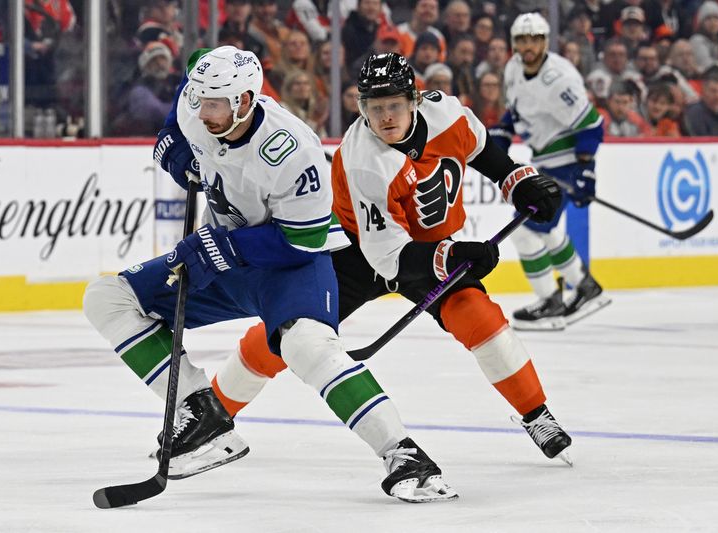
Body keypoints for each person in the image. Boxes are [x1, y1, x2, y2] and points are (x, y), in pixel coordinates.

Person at [151, 51, 575, 486]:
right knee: (284, 331)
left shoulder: (446, 112)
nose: (385, 117)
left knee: (480, 318)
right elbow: (389, 258)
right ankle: (211, 418)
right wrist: (453, 257)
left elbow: (483, 149)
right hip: (355, 253)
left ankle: (536, 414)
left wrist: (517, 179)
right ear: (361, 108)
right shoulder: (364, 159)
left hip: (425, 247)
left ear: (415, 100)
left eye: (393, 104)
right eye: (374, 108)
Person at [84, 46, 457, 503]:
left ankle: (403, 455)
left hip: (289, 265)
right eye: (199, 100)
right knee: (108, 297)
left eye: (215, 104)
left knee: (306, 346)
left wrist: (224, 247)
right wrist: (173, 151)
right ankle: (202, 413)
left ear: (244, 100)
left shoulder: (293, 150)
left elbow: (302, 240)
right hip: (224, 255)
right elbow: (180, 111)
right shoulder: (198, 102)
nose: (203, 112)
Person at [490, 12, 611, 331]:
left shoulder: (560, 79)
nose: (528, 46)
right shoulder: (513, 68)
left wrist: (585, 170)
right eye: (521, 40)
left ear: (545, 42)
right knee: (547, 228)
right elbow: (515, 112)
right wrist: (503, 131)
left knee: (526, 230)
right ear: (514, 43)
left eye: (534, 39)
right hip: (544, 159)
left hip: (568, 162)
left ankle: (550, 301)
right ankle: (585, 287)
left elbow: (592, 126)